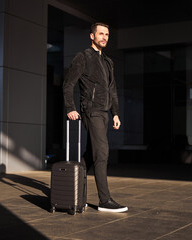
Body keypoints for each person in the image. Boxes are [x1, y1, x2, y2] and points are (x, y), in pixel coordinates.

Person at [63, 22, 128, 213]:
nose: (104, 37)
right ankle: (105, 201)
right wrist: (70, 107)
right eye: (101, 34)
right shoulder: (83, 57)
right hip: (91, 110)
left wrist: (115, 113)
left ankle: (75, 192)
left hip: (104, 112)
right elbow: (68, 84)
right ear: (92, 36)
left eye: (107, 34)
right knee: (102, 152)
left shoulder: (108, 61)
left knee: (91, 157)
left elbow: (112, 90)